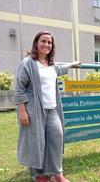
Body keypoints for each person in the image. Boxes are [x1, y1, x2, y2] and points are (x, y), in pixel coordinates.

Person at [15, 31, 81, 182]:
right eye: (43, 41)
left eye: (49, 43)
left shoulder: (51, 65)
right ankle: (38, 175)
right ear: (36, 43)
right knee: (36, 142)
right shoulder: (28, 63)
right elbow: (19, 88)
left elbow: (60, 69)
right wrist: (22, 110)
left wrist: (72, 64)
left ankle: (56, 172)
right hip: (34, 111)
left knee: (56, 138)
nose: (46, 45)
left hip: (52, 110)